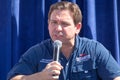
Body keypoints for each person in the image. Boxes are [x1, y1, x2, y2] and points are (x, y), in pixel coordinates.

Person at [7, 1, 120, 80]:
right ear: (48, 25)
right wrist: (40, 76)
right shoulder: (38, 52)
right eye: (54, 22)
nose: (58, 28)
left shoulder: (94, 50)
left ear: (77, 28)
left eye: (64, 24)